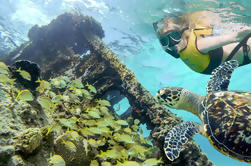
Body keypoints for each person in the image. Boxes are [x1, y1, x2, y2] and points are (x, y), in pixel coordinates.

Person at [153, 11, 251, 74]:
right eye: (164, 41)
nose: (172, 43)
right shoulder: (200, 45)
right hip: (247, 49)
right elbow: (237, 36)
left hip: (213, 62)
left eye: (175, 36)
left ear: (184, 30)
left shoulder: (190, 34)